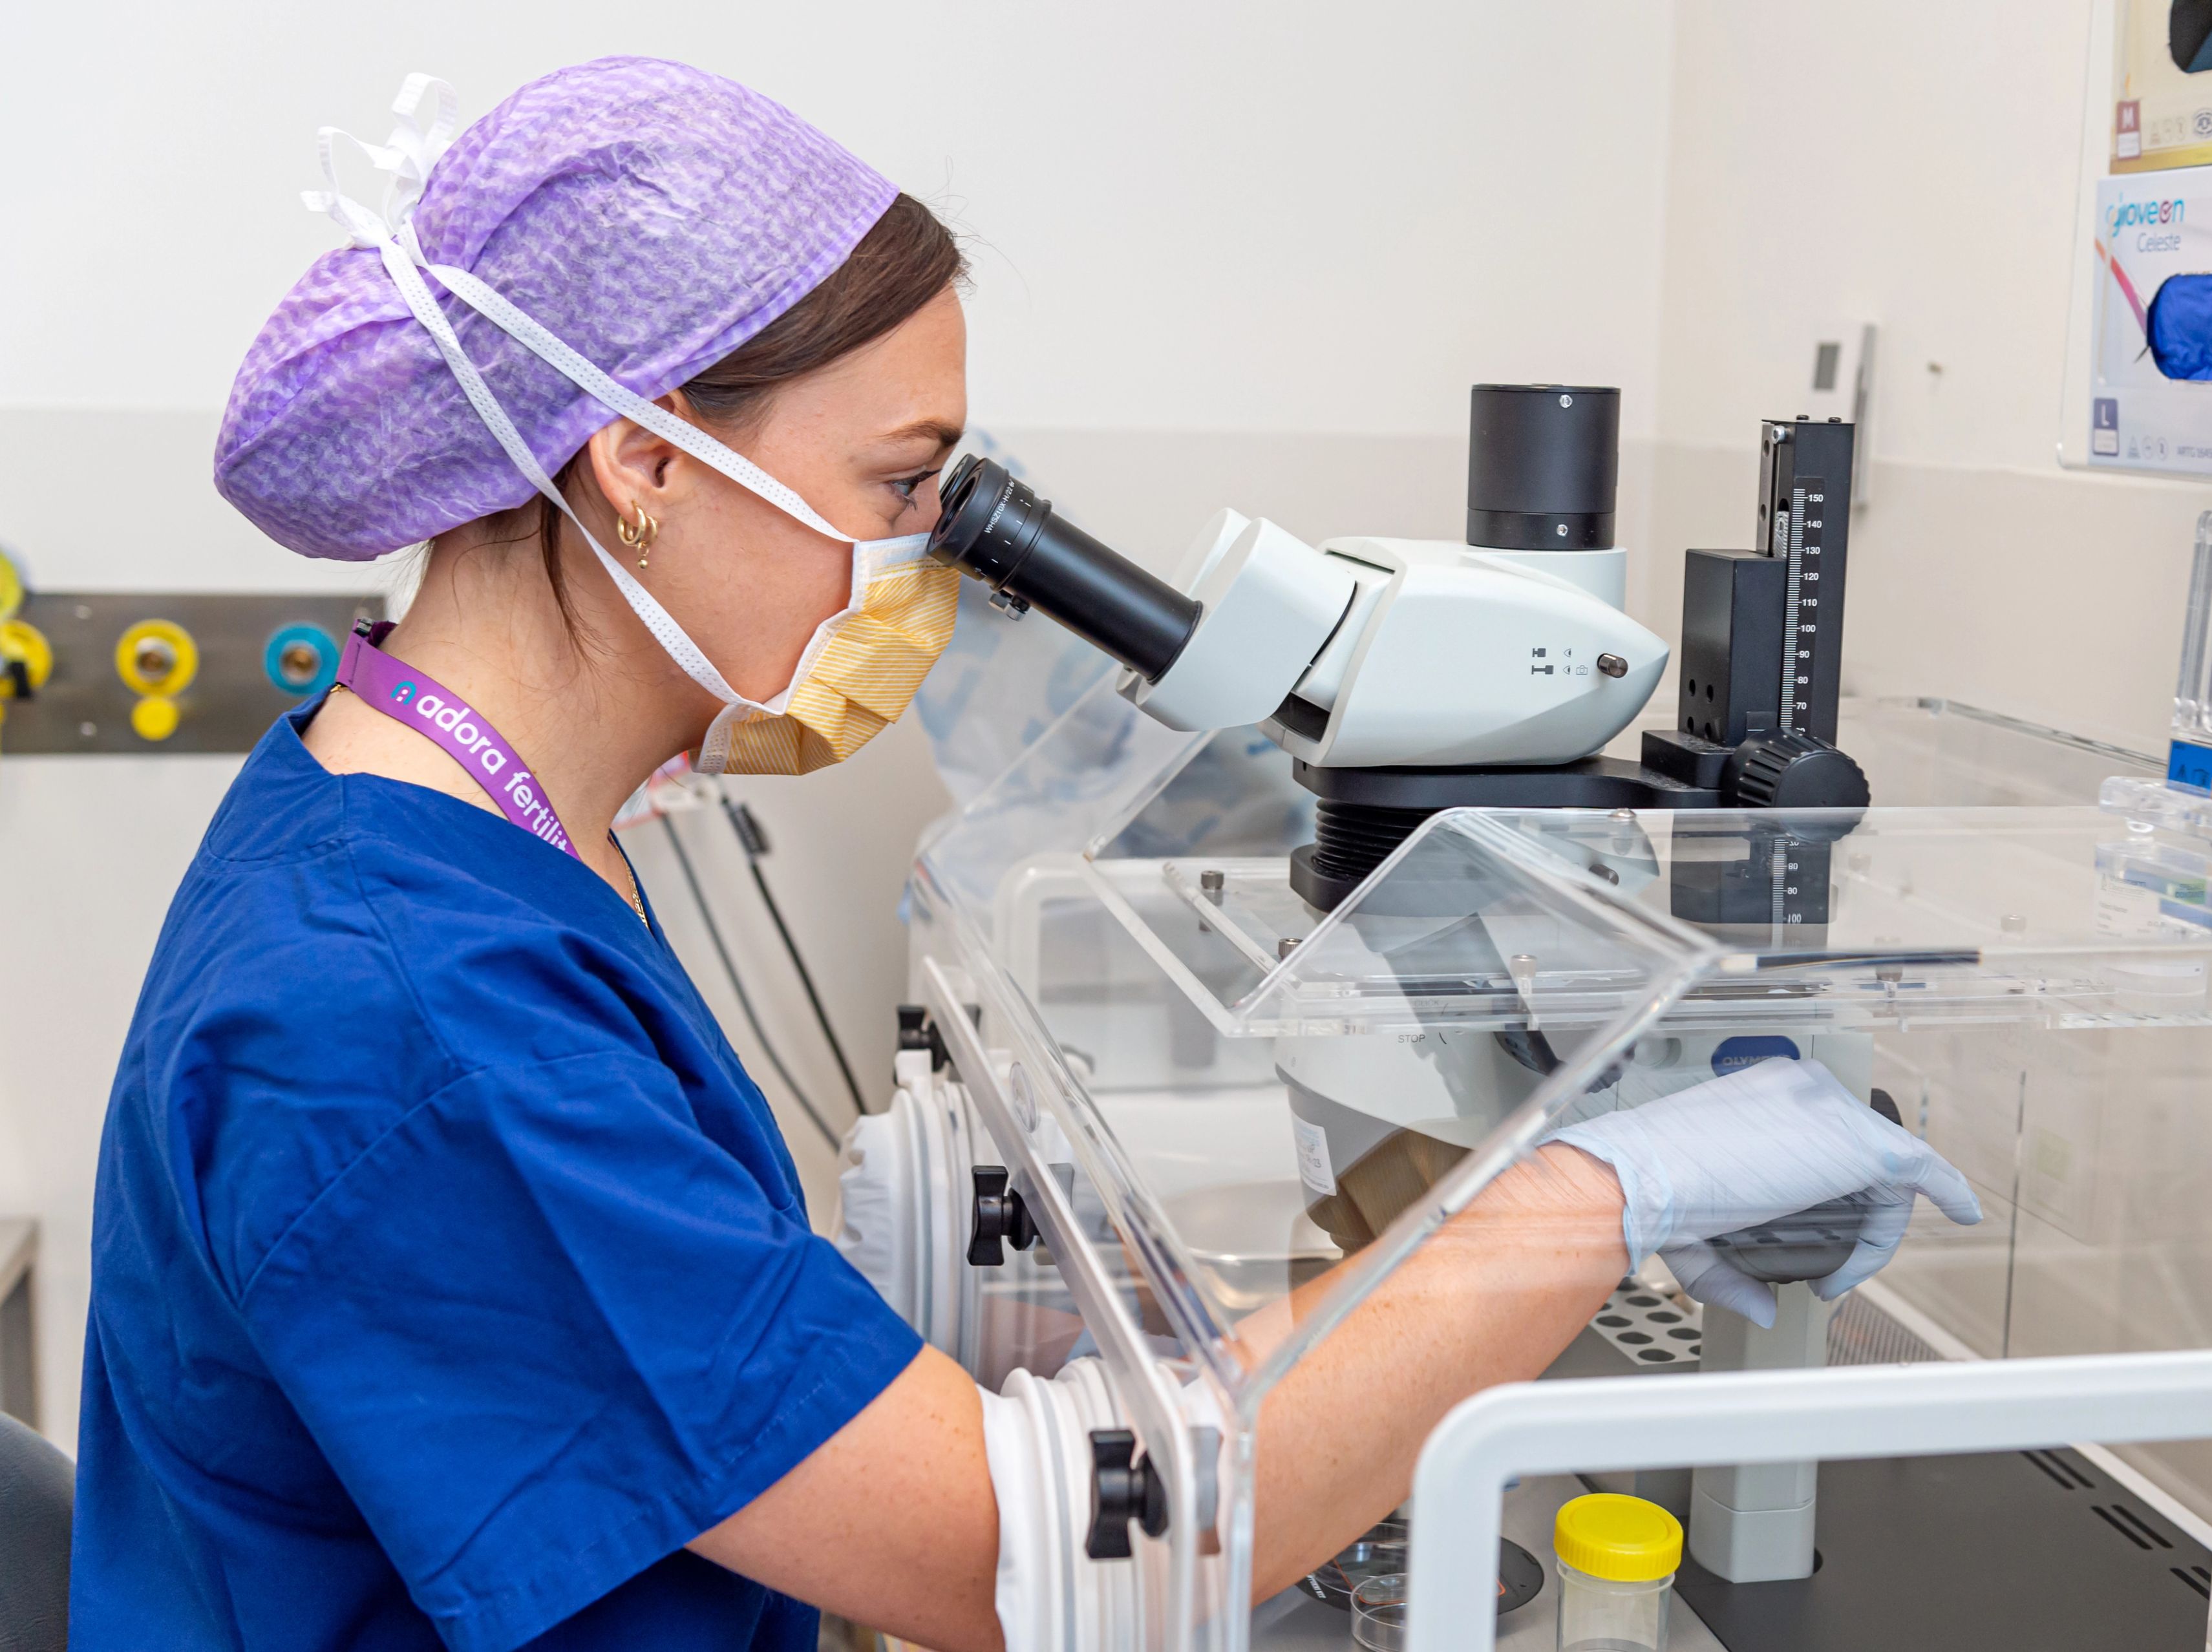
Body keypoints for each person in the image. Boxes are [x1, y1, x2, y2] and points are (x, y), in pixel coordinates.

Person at [71, 58, 1979, 1652]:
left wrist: (1242, 1298)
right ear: (641, 460)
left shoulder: (448, 829)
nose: (926, 565)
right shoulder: (413, 1018)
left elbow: (654, 1332)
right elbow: (1027, 1551)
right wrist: (1602, 1193)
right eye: (903, 490)